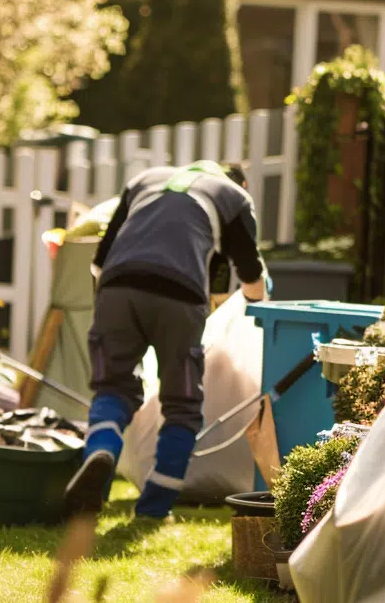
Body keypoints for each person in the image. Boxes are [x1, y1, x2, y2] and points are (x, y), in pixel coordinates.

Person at [64, 159, 269, 519]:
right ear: (240, 184)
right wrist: (254, 307)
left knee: (113, 388)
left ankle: (101, 449)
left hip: (116, 287)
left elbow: (98, 262)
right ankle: (154, 508)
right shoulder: (234, 197)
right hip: (179, 296)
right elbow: (250, 275)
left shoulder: (146, 179)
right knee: (182, 405)